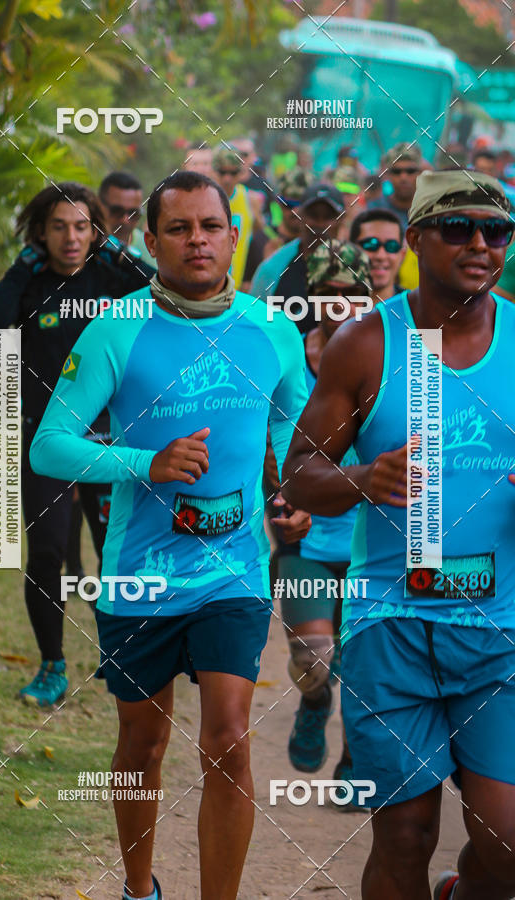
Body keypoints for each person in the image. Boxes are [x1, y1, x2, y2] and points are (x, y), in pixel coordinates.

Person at [29, 171, 311, 900]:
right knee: (144, 743)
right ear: (150, 241)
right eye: (179, 229)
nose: (197, 241)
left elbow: (298, 421)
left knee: (229, 739)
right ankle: (138, 888)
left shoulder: (271, 329)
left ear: (233, 236)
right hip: (139, 573)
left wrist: (289, 487)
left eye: (210, 227)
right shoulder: (116, 329)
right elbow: (49, 445)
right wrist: (144, 462)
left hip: (233, 573)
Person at [283, 169, 515, 900]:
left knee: (506, 844)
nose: (479, 245)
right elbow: (298, 476)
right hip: (393, 624)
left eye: (496, 232)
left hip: (501, 629)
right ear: (415, 240)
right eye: (458, 228)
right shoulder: (366, 341)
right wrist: (361, 481)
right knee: (405, 834)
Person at [0, 182, 152, 706]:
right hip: (47, 442)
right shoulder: (29, 283)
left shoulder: (112, 278)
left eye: (81, 226)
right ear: (40, 234)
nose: (71, 238)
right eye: (58, 227)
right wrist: (21, 266)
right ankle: (52, 666)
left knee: (115, 554)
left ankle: (120, 654)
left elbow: (166, 294)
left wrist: (118, 250)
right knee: (48, 552)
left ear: (94, 230)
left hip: (109, 444)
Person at [266, 240, 372, 782]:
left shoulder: (394, 357)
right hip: (304, 542)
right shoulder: (286, 356)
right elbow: (263, 443)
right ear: (312, 297)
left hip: (374, 544)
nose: (343, 306)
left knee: (366, 666)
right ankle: (312, 704)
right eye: (330, 294)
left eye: (355, 294)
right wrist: (281, 502)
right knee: (316, 661)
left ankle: (355, 765)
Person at [251, 183, 346, 333]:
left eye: (328, 217)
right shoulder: (273, 268)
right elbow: (255, 326)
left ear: (341, 220)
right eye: (314, 215)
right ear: (300, 216)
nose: (320, 224)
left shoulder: (354, 267)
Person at [370, 142, 424, 290]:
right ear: (387, 175)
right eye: (397, 172)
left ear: (420, 173)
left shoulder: (431, 211)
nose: (403, 177)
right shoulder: (374, 211)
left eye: (410, 171)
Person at [211, 146, 254, 286]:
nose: (227, 179)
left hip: (236, 288)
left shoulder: (249, 198)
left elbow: (259, 239)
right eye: (222, 172)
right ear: (213, 171)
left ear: (240, 173)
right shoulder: (203, 198)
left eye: (233, 173)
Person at [99, 171, 155, 268]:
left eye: (133, 213)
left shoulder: (151, 248)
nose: (125, 220)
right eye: (117, 211)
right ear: (98, 207)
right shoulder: (81, 248)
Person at [349, 209, 406, 302]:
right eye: (371, 244)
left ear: (402, 255)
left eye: (391, 246)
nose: (381, 256)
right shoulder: (332, 306)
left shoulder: (417, 308)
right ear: (350, 251)